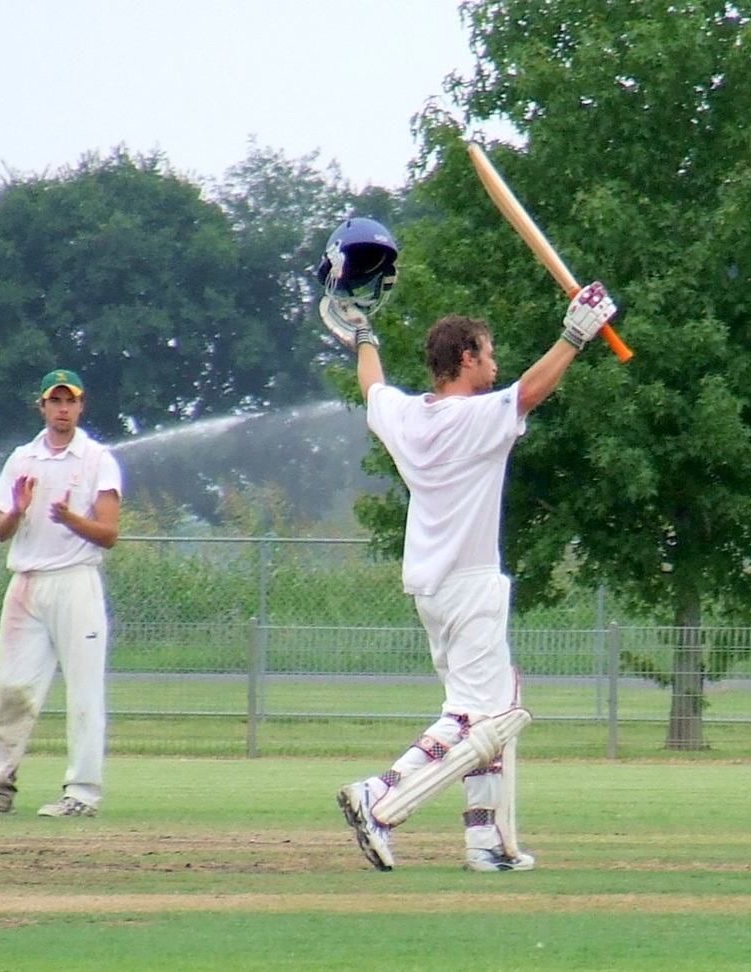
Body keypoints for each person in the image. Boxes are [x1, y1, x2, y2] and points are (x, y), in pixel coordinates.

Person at [318, 219, 617, 872]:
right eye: (488, 353)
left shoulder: (407, 415)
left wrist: (364, 335)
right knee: (477, 718)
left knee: (497, 702)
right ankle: (380, 796)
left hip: (433, 586)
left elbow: (372, 387)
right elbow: (530, 392)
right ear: (465, 359)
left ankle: (488, 841)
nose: (495, 363)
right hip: (470, 582)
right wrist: (576, 333)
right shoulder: (473, 417)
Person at [0, 368, 123, 818]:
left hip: (76, 582)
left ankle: (82, 794)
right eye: (55, 401)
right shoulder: (22, 458)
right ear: (42, 407)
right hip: (26, 583)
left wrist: (71, 520)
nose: (63, 410)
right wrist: (18, 510)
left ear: (81, 407)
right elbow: (0, 531)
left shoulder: (97, 458)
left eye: (70, 401)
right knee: (11, 690)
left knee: (84, 694)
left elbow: (109, 534)